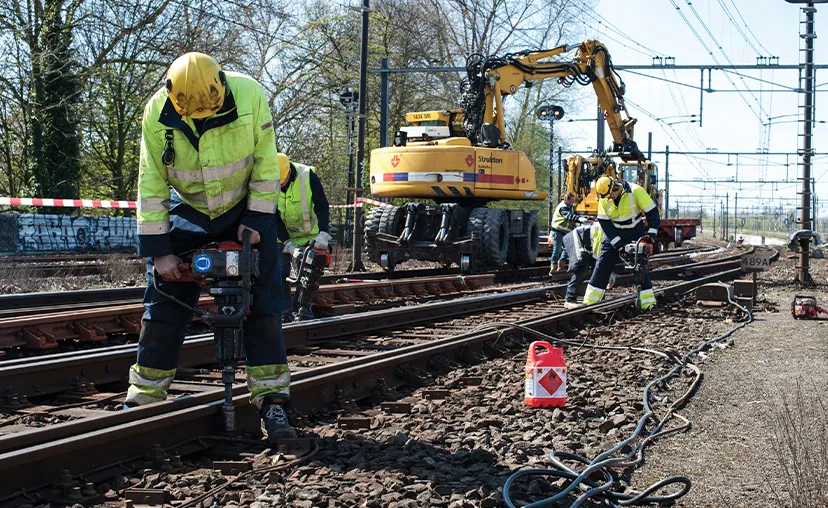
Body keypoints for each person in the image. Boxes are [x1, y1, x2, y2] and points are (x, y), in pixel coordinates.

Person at [131, 52, 295, 442]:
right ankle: (144, 399)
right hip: (190, 210)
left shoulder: (251, 96)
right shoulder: (157, 113)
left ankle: (273, 401)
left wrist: (256, 223)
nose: (202, 116)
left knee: (263, 307)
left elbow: (266, 165)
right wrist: (160, 251)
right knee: (163, 305)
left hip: (245, 209)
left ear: (221, 86)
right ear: (175, 100)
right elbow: (151, 184)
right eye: (193, 113)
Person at [582, 176, 661, 310]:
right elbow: (604, 222)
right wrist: (617, 243)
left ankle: (647, 303)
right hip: (613, 231)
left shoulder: (636, 191)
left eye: (610, 195)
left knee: (639, 265)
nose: (609, 199)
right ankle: (590, 301)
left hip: (634, 231)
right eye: (605, 197)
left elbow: (653, 214)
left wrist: (651, 235)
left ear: (616, 187)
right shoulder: (604, 197)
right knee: (603, 263)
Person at [276, 155, 331, 322]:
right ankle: (284, 314)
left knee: (309, 275)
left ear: (288, 173)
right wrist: (287, 243)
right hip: (283, 237)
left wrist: (323, 233)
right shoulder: (267, 181)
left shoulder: (308, 176)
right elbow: (273, 216)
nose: (280, 186)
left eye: (282, 181)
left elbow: (322, 206)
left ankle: (304, 310)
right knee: (280, 274)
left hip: (311, 236)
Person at [561, 221, 604, 309]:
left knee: (597, 270)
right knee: (581, 269)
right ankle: (569, 299)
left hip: (587, 244)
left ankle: (598, 298)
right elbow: (597, 254)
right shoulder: (603, 232)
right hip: (577, 239)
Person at [550, 192, 585, 273]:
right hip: (557, 230)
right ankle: (553, 268)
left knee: (567, 249)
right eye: (572, 200)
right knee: (557, 250)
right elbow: (569, 216)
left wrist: (583, 218)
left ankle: (561, 267)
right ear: (566, 199)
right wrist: (579, 219)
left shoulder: (570, 207)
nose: (573, 202)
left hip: (565, 232)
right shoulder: (563, 207)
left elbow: (574, 214)